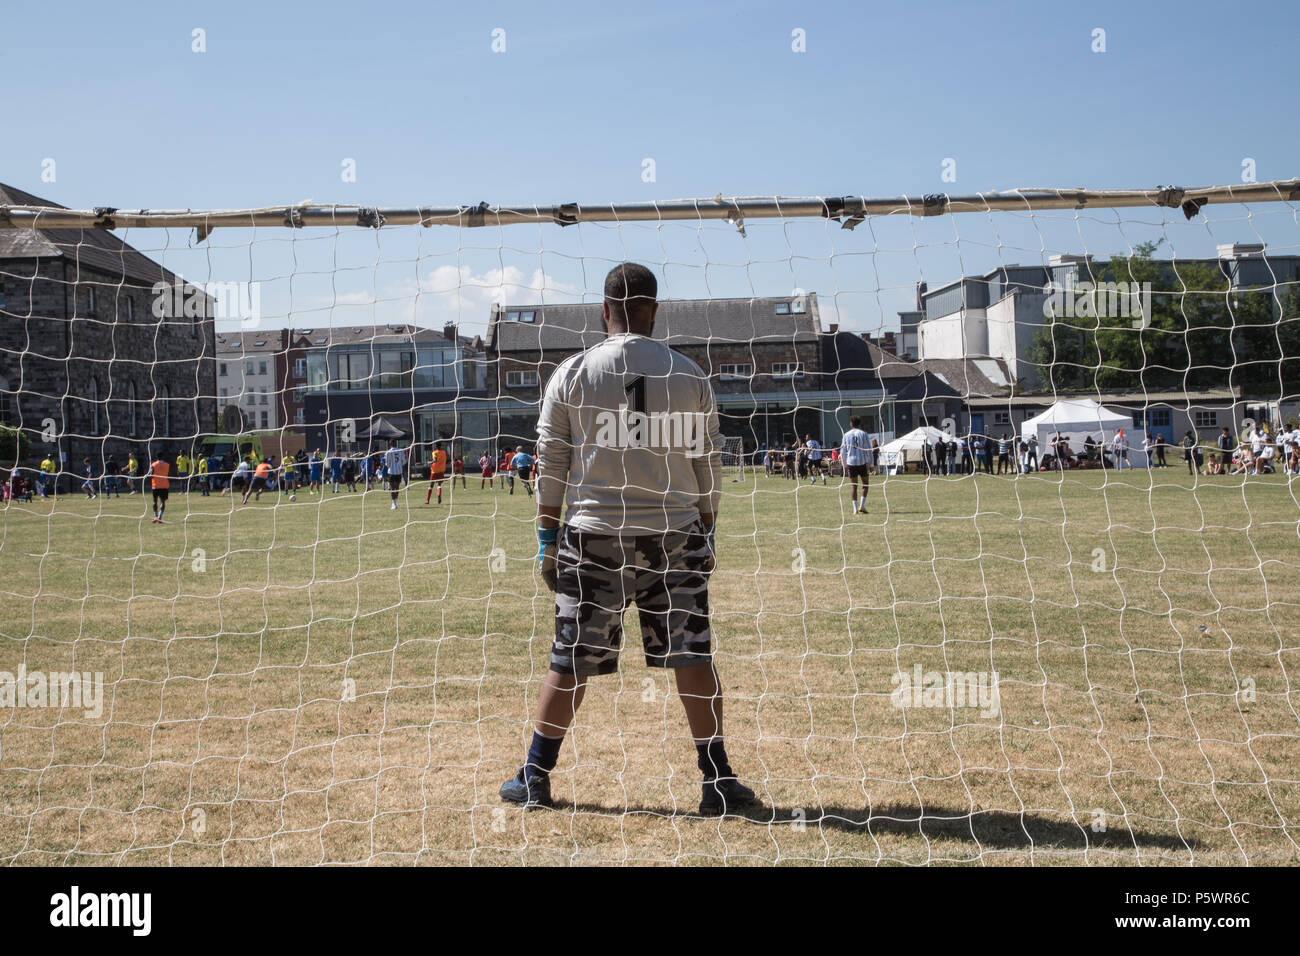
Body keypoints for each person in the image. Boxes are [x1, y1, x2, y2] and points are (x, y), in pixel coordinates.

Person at [501, 261, 752, 817]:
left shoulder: (572, 372)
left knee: (570, 658)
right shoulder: (689, 374)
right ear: (655, 311)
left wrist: (546, 534)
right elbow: (709, 460)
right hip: (674, 532)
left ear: (604, 310)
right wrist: (707, 524)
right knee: (692, 655)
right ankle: (717, 781)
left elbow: (552, 460)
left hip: (595, 535)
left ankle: (534, 776)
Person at [840, 416, 871, 515]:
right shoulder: (864, 434)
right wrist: (871, 464)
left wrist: (844, 464)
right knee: (865, 484)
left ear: (851, 424)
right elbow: (868, 450)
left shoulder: (846, 435)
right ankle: (862, 505)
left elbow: (843, 451)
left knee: (854, 486)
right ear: (860, 424)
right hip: (861, 462)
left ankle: (855, 509)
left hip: (851, 462)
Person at [147, 451, 170, 523]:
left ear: (157, 457)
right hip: (164, 485)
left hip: (155, 485)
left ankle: (155, 516)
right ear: (163, 457)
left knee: (154, 501)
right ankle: (160, 516)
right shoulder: (167, 465)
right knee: (162, 501)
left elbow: (151, 474)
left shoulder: (153, 465)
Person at [383, 439, 406, 510]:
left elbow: (387, 464)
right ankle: (395, 502)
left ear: (390, 445)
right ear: (396, 443)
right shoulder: (401, 451)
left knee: (392, 488)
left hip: (392, 472)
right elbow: (404, 461)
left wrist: (390, 465)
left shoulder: (388, 452)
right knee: (397, 488)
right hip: (399, 472)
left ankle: (394, 503)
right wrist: (399, 465)